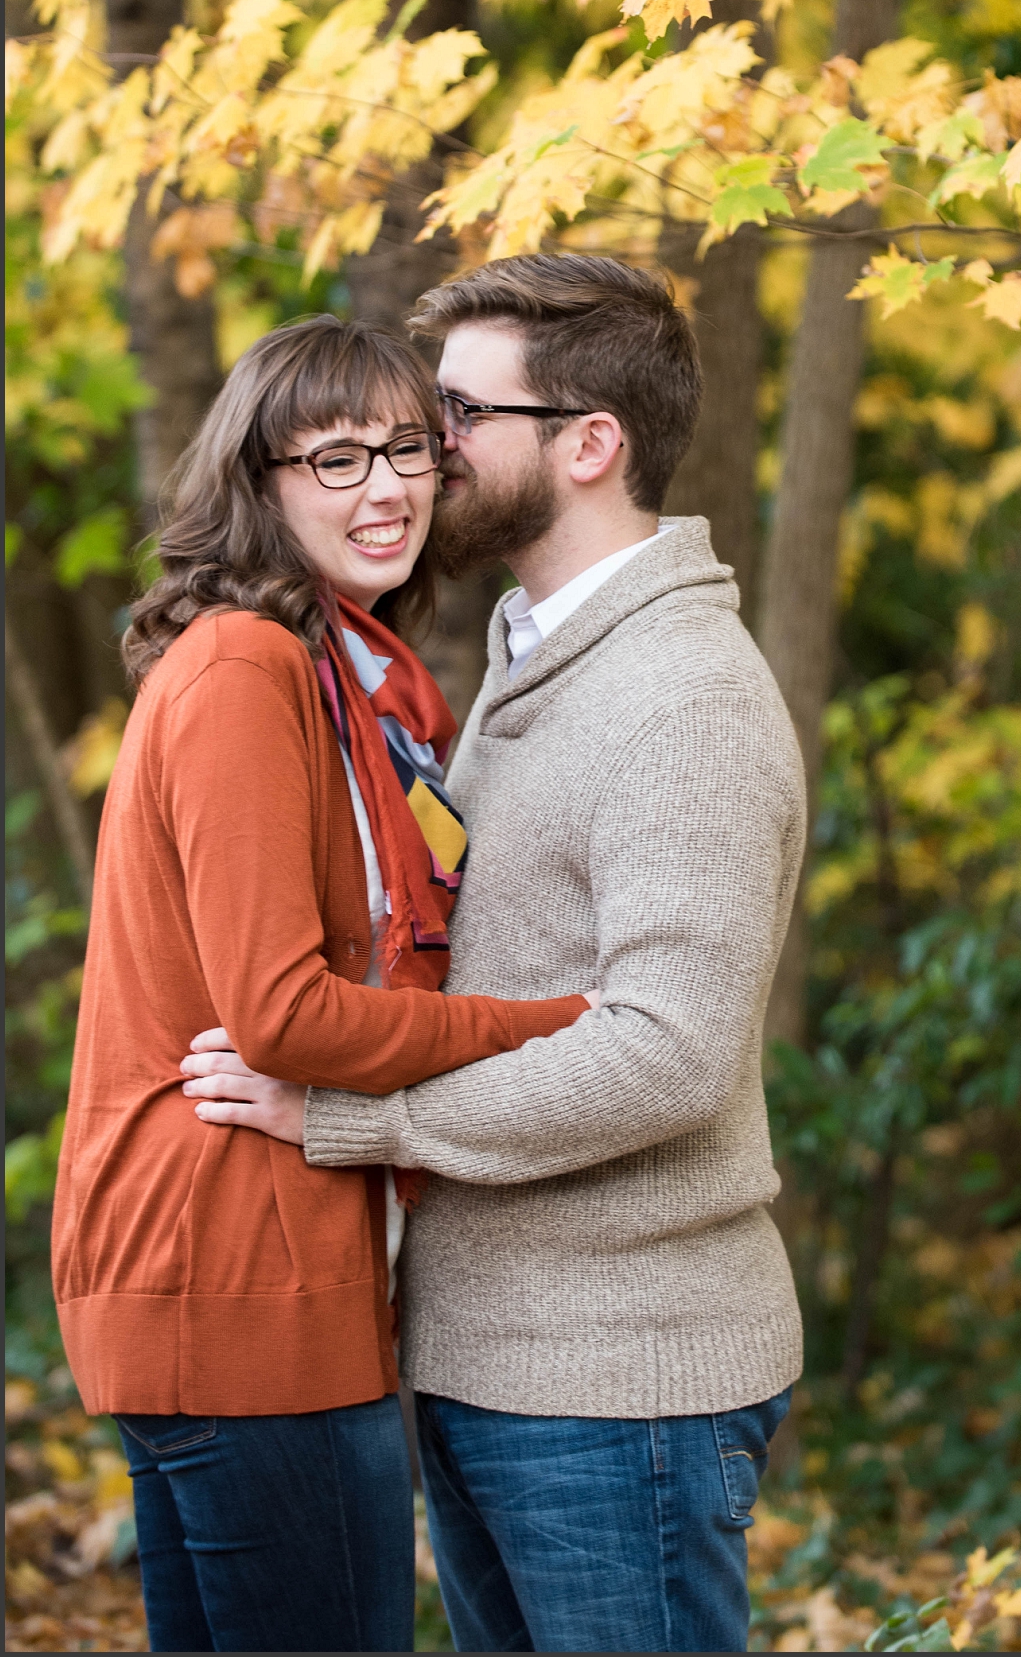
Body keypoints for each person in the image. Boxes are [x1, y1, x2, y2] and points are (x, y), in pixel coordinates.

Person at [186, 255, 807, 1656]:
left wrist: (355, 1117)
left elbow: (668, 1052)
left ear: (590, 443)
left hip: (622, 1382)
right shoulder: (533, 662)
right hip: (493, 1367)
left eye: (458, 416)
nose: (422, 446)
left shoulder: (684, 700)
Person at [51, 316, 592, 1656]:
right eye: (337, 458)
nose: (387, 487)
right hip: (234, 1269)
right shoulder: (245, 668)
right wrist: (565, 1026)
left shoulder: (345, 679)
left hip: (241, 1270)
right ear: (261, 483)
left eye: (407, 448)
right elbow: (281, 1014)